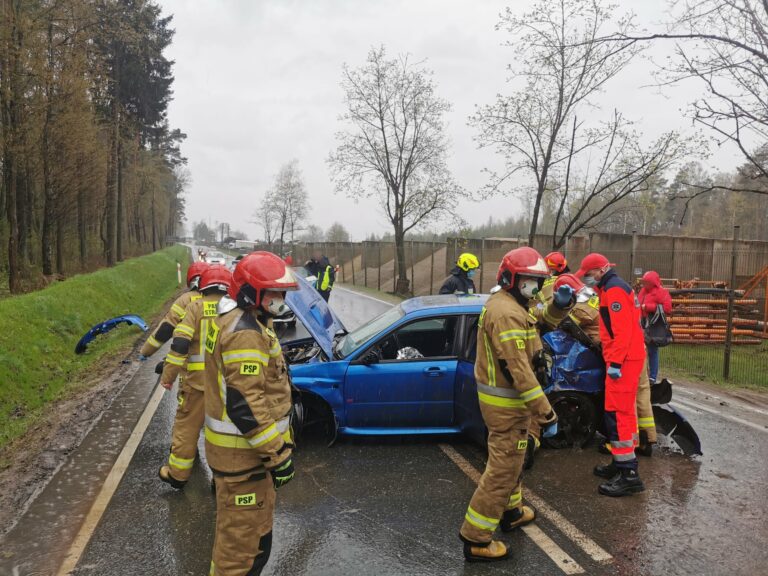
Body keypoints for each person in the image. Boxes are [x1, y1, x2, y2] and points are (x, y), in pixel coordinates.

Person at [459, 247, 574, 562]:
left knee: (515, 457)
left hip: (511, 405)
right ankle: (476, 538)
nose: (535, 288)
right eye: (530, 281)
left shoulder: (514, 304)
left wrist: (560, 306)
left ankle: (511, 512)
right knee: (502, 469)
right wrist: (546, 414)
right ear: (511, 279)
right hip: (508, 406)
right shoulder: (506, 312)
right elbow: (520, 372)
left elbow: (540, 319)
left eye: (539, 282)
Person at [203, 251, 297, 576]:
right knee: (238, 556)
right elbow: (245, 403)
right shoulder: (246, 331)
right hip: (244, 462)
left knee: (255, 544)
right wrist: (278, 455)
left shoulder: (246, 321)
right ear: (250, 292)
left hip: (246, 462)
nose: (280, 299)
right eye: (273, 292)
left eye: (282, 293)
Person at [554, 274, 657, 456]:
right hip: (638, 349)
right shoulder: (595, 297)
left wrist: (616, 362)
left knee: (626, 401)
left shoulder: (580, 309)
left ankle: (628, 444)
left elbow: (562, 326)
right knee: (641, 393)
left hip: (624, 353)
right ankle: (647, 439)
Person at [157, 264, 233, 489]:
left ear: (203, 286)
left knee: (187, 428)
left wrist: (168, 376)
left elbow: (180, 343)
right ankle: (221, 480)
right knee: (224, 433)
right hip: (227, 385)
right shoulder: (235, 310)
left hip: (197, 384)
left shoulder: (195, 307)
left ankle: (177, 474)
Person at [576, 253, 646, 497]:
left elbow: (622, 331)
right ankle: (620, 463)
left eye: (588, 275)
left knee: (618, 413)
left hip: (624, 360)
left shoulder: (614, 290)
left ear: (599, 270)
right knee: (619, 410)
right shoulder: (612, 287)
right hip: (626, 357)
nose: (586, 279)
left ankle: (629, 473)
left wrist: (615, 362)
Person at [138, 261, 208, 359]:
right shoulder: (222, 301)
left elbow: (166, 328)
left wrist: (145, 351)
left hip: (188, 363)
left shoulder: (185, 300)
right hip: (217, 365)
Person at [638, 271, 672, 384]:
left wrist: (648, 307)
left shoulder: (661, 292)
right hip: (641, 323)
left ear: (653, 283)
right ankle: (642, 373)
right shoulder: (643, 291)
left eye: (646, 282)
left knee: (652, 350)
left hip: (653, 325)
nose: (644, 284)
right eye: (644, 282)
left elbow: (667, 308)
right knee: (640, 350)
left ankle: (652, 376)